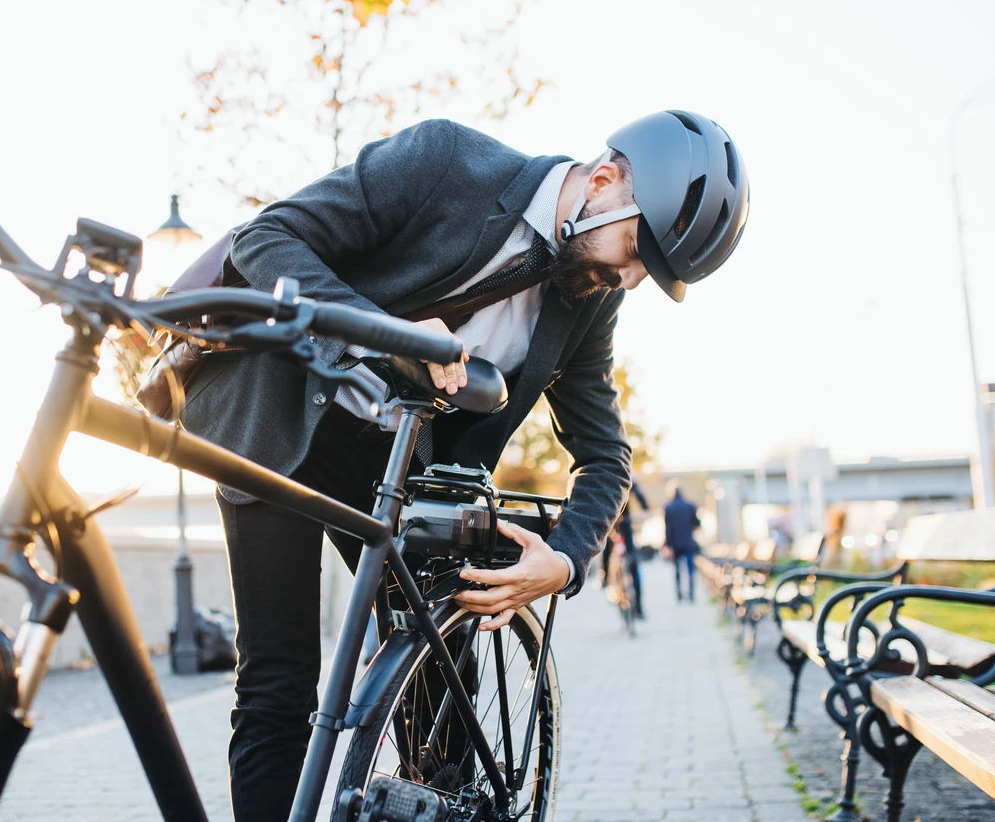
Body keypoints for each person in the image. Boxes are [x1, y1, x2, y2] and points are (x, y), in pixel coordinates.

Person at [177, 112, 749, 820]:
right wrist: (382, 333)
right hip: (282, 417)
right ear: (604, 181)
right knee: (277, 683)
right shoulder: (445, 161)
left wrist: (565, 562)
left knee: (443, 692)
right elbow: (267, 239)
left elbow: (606, 455)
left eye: (649, 275)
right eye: (638, 252)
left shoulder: (590, 301)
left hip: (408, 471)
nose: (629, 281)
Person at [605, 482, 649, 617]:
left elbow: (640, 498)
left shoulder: (629, 480)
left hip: (625, 525)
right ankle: (605, 576)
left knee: (633, 562)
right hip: (609, 524)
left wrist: (644, 512)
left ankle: (639, 606)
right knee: (605, 549)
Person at [663, 483, 702, 602]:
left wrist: (668, 545)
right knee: (690, 569)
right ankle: (690, 594)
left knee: (677, 570)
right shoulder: (690, 506)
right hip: (688, 542)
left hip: (675, 544)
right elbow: (697, 523)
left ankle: (679, 594)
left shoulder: (668, 507)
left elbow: (668, 529)